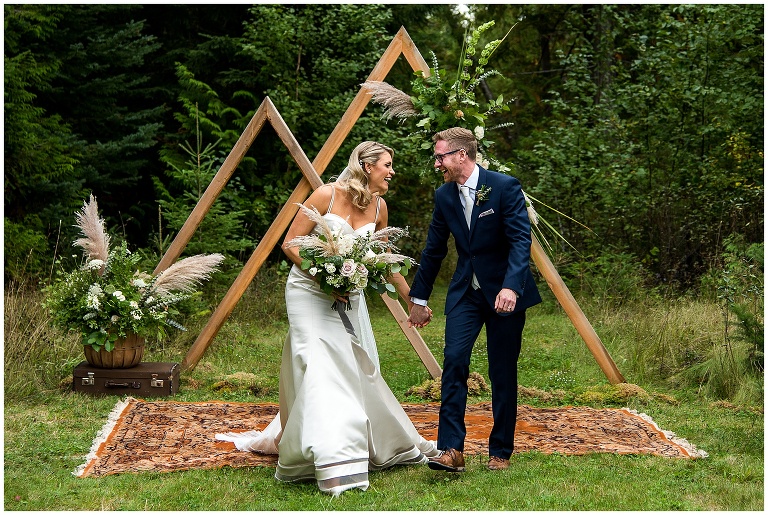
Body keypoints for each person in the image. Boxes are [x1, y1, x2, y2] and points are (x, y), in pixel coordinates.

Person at [217, 141, 437, 495]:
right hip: (307, 292)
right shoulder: (324, 195)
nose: (392, 171)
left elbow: (385, 257)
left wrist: (414, 299)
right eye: (387, 164)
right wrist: (323, 276)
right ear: (367, 166)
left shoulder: (380, 208)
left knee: (349, 367)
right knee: (318, 362)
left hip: (347, 296)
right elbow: (291, 243)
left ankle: (345, 439)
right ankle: (333, 458)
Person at [406, 127, 542, 472]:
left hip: (504, 293)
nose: (437, 163)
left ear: (461, 155)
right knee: (453, 361)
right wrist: (418, 297)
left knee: (502, 370)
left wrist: (511, 286)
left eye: (441, 156)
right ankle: (452, 450)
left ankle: (500, 451)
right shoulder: (445, 196)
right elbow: (434, 250)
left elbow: (519, 241)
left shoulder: (504, 187)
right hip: (467, 292)